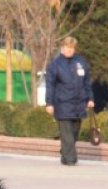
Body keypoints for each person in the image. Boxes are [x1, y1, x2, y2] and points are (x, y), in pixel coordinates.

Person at [45, 36, 94, 166]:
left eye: (71, 48)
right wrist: (49, 103)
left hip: (79, 104)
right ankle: (71, 159)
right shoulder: (55, 65)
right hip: (62, 103)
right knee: (67, 133)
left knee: (74, 132)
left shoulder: (81, 62)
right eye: (67, 47)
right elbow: (50, 85)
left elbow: (87, 82)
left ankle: (65, 153)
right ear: (62, 48)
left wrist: (90, 98)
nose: (69, 50)